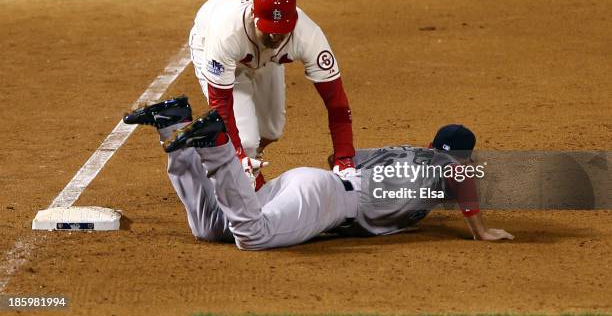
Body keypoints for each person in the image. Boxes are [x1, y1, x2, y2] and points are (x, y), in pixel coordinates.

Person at [123, 97, 514, 251]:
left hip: (311, 182)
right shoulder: (442, 170)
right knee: (252, 236)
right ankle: (216, 146)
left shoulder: (406, 153)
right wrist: (479, 229)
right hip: (325, 202)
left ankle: (172, 124)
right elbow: (462, 174)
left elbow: (336, 157)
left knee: (211, 227)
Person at [188, 0, 355, 190]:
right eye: (269, 28)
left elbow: (336, 102)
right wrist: (238, 154)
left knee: (271, 131)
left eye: (281, 28)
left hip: (264, 60)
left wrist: (344, 157)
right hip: (211, 46)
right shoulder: (227, 33)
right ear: (253, 16)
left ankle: (247, 164)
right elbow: (220, 102)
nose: (275, 35)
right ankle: (236, 170)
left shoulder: (308, 35)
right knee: (247, 141)